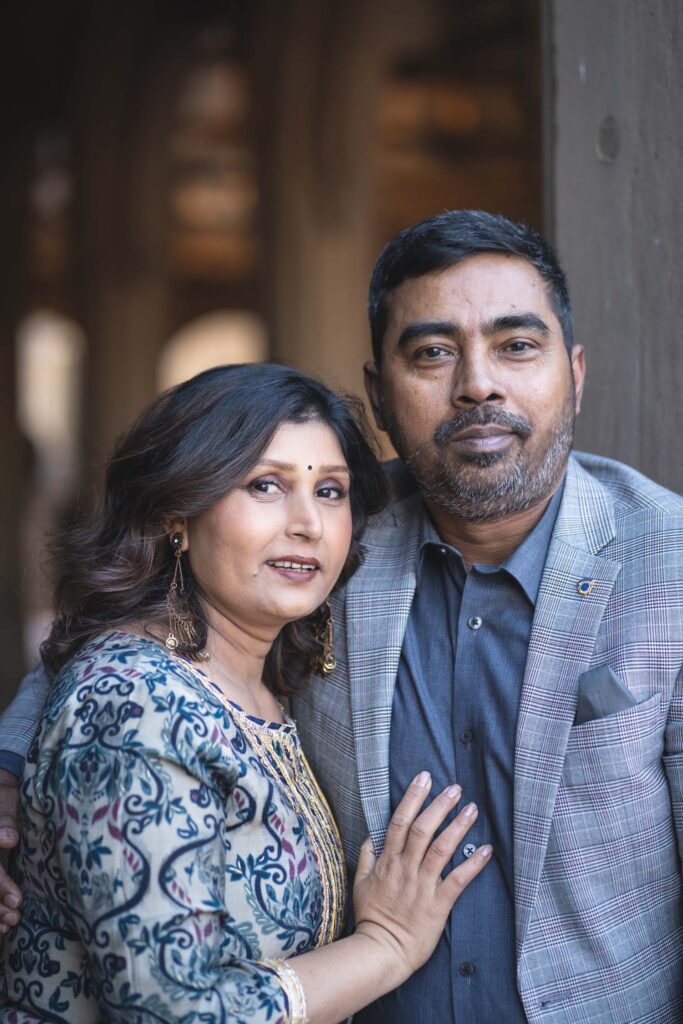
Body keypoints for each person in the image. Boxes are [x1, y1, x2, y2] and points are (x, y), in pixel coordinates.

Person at [2, 207, 682, 1021]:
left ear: (573, 371)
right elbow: (120, 653)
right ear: (379, 395)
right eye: (431, 352)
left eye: (516, 346)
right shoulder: (335, 535)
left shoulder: (666, 562)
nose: (477, 384)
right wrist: (11, 772)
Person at [0, 362, 490, 1023]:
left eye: (330, 491)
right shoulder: (136, 703)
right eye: (265, 485)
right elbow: (177, 1013)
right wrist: (387, 946)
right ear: (176, 512)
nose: (308, 523)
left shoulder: (258, 679)